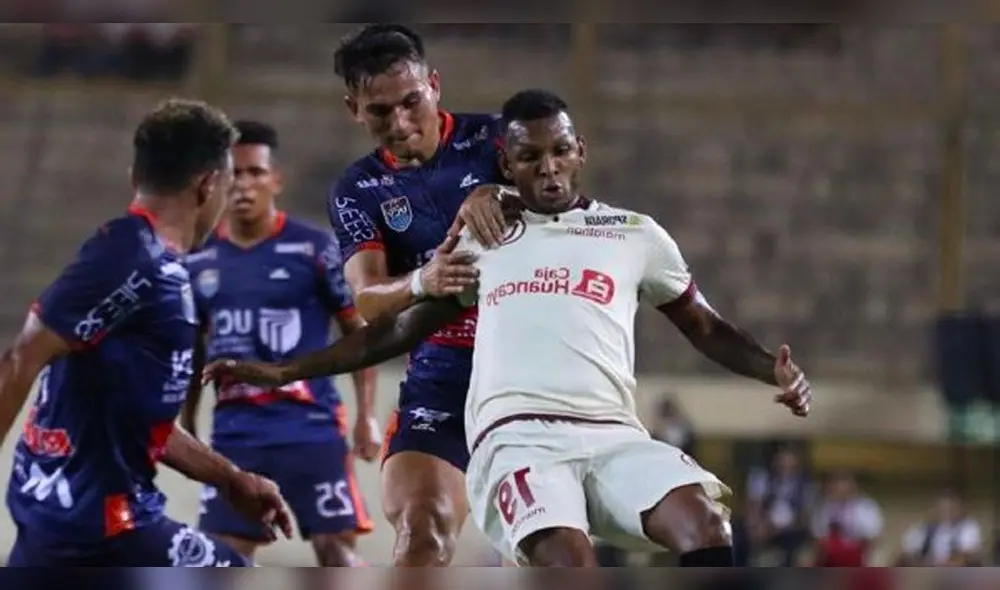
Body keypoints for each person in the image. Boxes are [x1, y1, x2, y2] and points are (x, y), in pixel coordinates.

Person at [204, 89, 813, 567]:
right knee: (567, 563)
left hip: (614, 435)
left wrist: (774, 372)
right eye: (530, 158)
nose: (549, 169)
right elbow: (397, 332)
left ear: (580, 150)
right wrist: (286, 371)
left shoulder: (636, 234)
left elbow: (704, 327)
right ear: (505, 164)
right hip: (520, 441)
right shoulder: (485, 239)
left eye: (560, 151)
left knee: (708, 526)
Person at [0, 99, 292, 567]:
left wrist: (231, 478)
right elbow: (19, 361)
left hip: (64, 524)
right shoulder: (131, 256)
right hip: (101, 529)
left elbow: (140, 417)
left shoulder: (152, 265)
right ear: (209, 185)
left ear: (135, 175)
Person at [326, 24, 514, 566]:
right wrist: (419, 281)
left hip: (532, 363)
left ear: (434, 84)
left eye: (411, 102)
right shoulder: (357, 189)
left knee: (550, 550)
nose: (402, 123)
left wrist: (498, 191)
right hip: (443, 371)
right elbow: (367, 299)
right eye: (380, 111)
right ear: (354, 110)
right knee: (422, 535)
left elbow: (566, 199)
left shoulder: (497, 139)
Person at [181, 120, 379, 566]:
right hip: (235, 437)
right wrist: (189, 419)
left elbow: (361, 333)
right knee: (220, 559)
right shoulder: (199, 260)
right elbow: (194, 350)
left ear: (276, 180)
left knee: (336, 553)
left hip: (309, 428)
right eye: (234, 174)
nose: (244, 185)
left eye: (255, 172)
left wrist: (367, 415)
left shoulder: (315, 249)